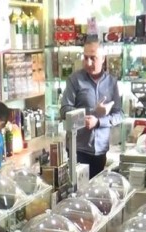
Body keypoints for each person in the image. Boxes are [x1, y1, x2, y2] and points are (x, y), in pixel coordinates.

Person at [59, 37, 123, 178]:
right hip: (78, 149)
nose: (88, 63)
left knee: (97, 188)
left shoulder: (111, 82)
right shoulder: (75, 80)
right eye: (85, 57)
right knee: (78, 188)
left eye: (93, 58)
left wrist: (99, 121)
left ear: (103, 59)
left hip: (101, 150)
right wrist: (91, 114)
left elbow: (119, 115)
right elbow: (64, 110)